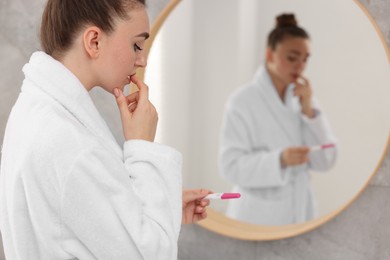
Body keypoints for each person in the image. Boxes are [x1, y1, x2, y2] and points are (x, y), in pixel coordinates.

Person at [0, 0, 211, 259]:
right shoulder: (70, 144)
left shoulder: (38, 109)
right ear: (94, 42)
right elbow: (150, 255)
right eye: (136, 45)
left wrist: (158, 209)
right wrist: (142, 147)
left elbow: (75, 218)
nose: (142, 60)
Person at [219, 13, 337, 226]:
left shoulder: (305, 99)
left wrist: (309, 111)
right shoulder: (242, 101)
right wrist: (279, 159)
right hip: (256, 216)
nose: (300, 66)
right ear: (270, 54)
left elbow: (327, 159)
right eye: (292, 57)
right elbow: (230, 166)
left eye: (305, 58)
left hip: (301, 212)